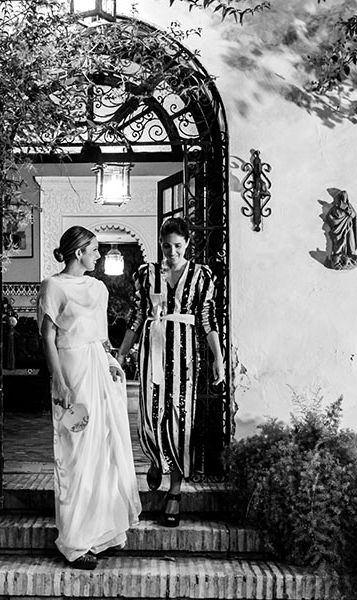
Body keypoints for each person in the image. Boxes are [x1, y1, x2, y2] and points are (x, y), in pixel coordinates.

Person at [38, 226, 141, 570]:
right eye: (94, 249)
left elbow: (101, 337)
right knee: (76, 452)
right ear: (79, 251)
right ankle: (75, 541)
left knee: (103, 450)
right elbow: (47, 337)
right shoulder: (53, 286)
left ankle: (103, 534)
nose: (98, 255)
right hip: (72, 372)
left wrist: (112, 363)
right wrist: (59, 381)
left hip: (98, 369)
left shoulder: (98, 288)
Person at [115, 217, 224, 528]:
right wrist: (121, 354)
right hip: (153, 352)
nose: (172, 252)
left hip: (185, 356)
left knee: (179, 420)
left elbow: (207, 319)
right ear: (160, 246)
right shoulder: (146, 274)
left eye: (177, 246)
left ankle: (174, 490)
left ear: (187, 243)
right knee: (150, 416)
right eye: (166, 246)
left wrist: (218, 358)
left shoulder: (202, 275)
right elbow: (137, 317)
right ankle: (155, 459)